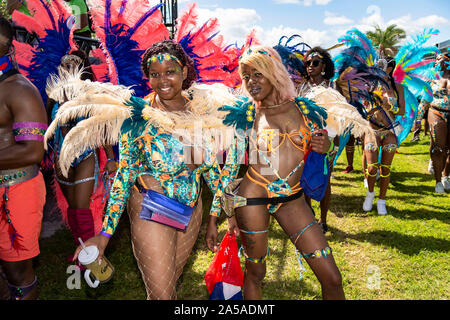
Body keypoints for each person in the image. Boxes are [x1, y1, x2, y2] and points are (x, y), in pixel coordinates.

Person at [70, 40, 237, 299]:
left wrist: (227, 212)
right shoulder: (138, 118)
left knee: (165, 289)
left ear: (184, 72)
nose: (163, 80)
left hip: (191, 211)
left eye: (170, 71)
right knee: (162, 294)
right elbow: (124, 175)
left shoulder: (199, 113)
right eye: (155, 74)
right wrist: (105, 234)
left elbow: (211, 170)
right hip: (152, 206)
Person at [222, 46, 345, 300]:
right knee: (255, 273)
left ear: (273, 73)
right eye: (246, 76)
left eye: (257, 74)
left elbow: (323, 157)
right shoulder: (246, 115)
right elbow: (231, 166)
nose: (251, 82)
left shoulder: (305, 110)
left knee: (332, 277)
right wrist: (221, 214)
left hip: (293, 199)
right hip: (252, 198)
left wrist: (327, 148)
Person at [46, 50, 117, 254]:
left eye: (72, 66)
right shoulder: (53, 97)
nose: (67, 70)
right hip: (62, 159)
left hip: (86, 156)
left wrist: (111, 157)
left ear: (81, 70)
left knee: (81, 208)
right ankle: (81, 250)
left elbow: (103, 130)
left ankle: (91, 258)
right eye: (63, 66)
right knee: (72, 211)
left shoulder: (90, 97)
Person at [0, 16, 47, 300]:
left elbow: (32, 150)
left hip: (16, 191)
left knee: (17, 271)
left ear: (5, 46)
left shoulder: (21, 90)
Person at [298, 47, 339, 233]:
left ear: (324, 66)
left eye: (315, 63)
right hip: (304, 138)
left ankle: (323, 220)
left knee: (324, 178)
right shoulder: (301, 87)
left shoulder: (333, 87)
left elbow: (341, 114)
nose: (310, 66)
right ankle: (309, 217)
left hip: (326, 139)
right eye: (307, 63)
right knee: (304, 178)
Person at [362, 57, 405, 214]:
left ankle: (382, 200)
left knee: (386, 168)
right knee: (372, 167)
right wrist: (374, 108)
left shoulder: (397, 87)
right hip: (372, 131)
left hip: (390, 132)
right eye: (377, 66)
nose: (380, 69)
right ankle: (370, 194)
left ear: (389, 69)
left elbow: (402, 111)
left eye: (384, 67)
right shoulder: (370, 87)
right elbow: (363, 110)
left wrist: (390, 107)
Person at [425, 53, 450, 192]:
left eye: (444, 60)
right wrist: (417, 119)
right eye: (439, 60)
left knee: (448, 148)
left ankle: (446, 176)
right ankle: (438, 181)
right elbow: (425, 98)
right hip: (436, 112)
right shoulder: (433, 77)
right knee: (438, 147)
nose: (440, 62)